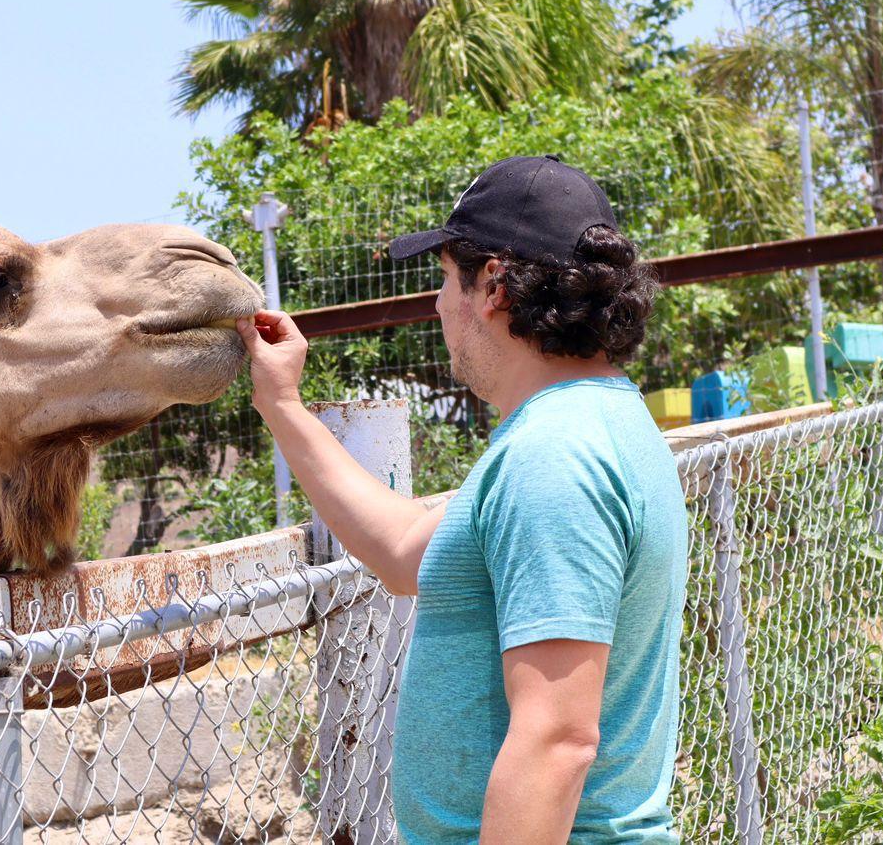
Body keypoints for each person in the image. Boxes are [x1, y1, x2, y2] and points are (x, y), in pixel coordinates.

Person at [236, 156, 688, 844]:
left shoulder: (554, 457)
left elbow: (556, 738)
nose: (440, 304)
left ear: (494, 286)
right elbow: (404, 553)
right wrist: (283, 406)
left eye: (447, 279)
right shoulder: (589, 425)